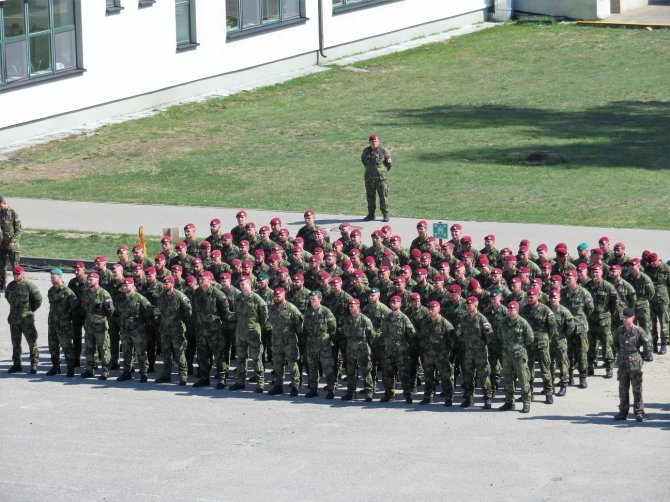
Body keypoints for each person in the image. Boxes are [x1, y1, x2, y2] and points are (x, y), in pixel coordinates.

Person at [230, 277, 269, 392]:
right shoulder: (238, 298)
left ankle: (260, 383)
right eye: (240, 284)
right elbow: (236, 314)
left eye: (244, 284)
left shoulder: (257, 299)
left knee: (257, 359)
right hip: (240, 333)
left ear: (250, 285)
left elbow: (264, 317)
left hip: (253, 333)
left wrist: (256, 326)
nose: (241, 286)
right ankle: (240, 382)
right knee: (241, 358)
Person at [613, 308, 650, 422]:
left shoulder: (639, 331)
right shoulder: (619, 331)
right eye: (623, 318)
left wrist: (641, 356)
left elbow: (647, 344)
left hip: (635, 364)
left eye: (627, 318)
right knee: (623, 389)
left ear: (632, 318)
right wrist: (621, 354)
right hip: (623, 363)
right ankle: (623, 412)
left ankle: (639, 412)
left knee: (637, 389)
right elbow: (615, 344)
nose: (624, 320)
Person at [155, 275, 192, 385]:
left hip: (177, 330)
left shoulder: (180, 296)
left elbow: (188, 312)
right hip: (165, 329)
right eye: (164, 283)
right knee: (166, 353)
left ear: (172, 284)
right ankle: (166, 375)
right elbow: (159, 310)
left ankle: (183, 375)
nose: (165, 285)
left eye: (167, 283)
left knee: (179, 353)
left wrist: (182, 322)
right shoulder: (161, 296)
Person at [267, 286, 303, 396]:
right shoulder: (272, 308)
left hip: (289, 341)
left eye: (279, 296)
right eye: (275, 296)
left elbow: (299, 325)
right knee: (278, 365)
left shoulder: (291, 308)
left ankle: (295, 386)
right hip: (276, 341)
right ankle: (278, 386)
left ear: (284, 295)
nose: (276, 298)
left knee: (292, 364)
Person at [116, 277, 153, 383]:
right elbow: (117, 312)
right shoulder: (120, 298)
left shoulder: (140, 298)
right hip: (125, 330)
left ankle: (144, 372)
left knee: (141, 352)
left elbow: (149, 312)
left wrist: (143, 325)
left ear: (133, 286)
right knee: (127, 352)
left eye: (127, 285)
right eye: (123, 285)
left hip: (138, 331)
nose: (124, 287)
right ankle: (127, 372)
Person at [499, 301, 534, 413]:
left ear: (517, 310)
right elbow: (500, 335)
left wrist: (519, 347)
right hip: (507, 355)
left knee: (523, 379)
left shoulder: (522, 323)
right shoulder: (503, 322)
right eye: (508, 309)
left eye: (512, 309)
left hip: (519, 356)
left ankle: (526, 403)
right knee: (508, 379)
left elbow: (530, 338)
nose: (510, 311)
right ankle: (509, 402)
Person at [5, 265, 42, 374]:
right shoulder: (10, 286)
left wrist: (30, 310)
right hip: (14, 320)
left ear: (23, 274)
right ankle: (17, 364)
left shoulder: (29, 286)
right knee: (16, 343)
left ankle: (34, 364)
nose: (16, 276)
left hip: (27, 320)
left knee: (32, 342)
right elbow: (8, 297)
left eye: (18, 274)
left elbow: (38, 300)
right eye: (14, 274)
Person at [380, 295, 416, 403]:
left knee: (404, 373)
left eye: (395, 302)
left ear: (400, 304)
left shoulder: (404, 318)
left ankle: (408, 395)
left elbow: (412, 333)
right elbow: (383, 332)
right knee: (388, 373)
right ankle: (389, 394)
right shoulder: (387, 317)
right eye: (391, 302)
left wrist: (408, 346)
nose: (393, 304)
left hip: (401, 351)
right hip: (389, 350)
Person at [302, 290, 337, 399]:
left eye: (314, 299)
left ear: (320, 299)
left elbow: (333, 328)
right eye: (310, 299)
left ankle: (331, 389)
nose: (312, 301)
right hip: (311, 344)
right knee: (312, 367)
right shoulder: (307, 312)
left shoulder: (326, 312)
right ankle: (314, 389)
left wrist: (327, 339)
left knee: (328, 368)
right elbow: (305, 328)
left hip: (323, 344)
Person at [80, 271, 114, 380]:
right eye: (88, 279)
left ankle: (106, 370)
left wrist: (101, 320)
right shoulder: (85, 293)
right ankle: (90, 370)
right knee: (89, 349)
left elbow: (110, 311)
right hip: (89, 326)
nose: (89, 281)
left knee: (104, 349)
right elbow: (83, 308)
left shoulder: (104, 294)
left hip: (100, 327)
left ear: (97, 280)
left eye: (91, 279)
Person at [46, 268, 78, 377]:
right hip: (52, 324)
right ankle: (55, 367)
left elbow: (75, 307)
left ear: (60, 277)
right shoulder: (51, 291)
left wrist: (67, 317)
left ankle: (70, 369)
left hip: (64, 325)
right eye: (51, 277)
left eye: (53, 277)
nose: (51, 279)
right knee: (53, 346)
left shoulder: (67, 291)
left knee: (67, 347)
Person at [360, 133, 392, 222]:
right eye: (372, 141)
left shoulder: (383, 151)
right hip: (369, 178)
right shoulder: (366, 151)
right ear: (369, 142)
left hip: (381, 179)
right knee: (370, 196)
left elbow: (389, 164)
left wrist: (382, 172)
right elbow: (363, 161)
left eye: (375, 141)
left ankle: (385, 214)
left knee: (383, 196)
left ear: (378, 142)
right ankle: (371, 214)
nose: (374, 143)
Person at [0, 196, 22, 293]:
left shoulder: (13, 213)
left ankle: (18, 285)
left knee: (15, 266)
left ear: (4, 203)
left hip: (12, 246)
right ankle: (3, 284)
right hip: (1, 245)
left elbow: (19, 230)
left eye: (0, 206)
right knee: (2, 265)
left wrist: (13, 241)